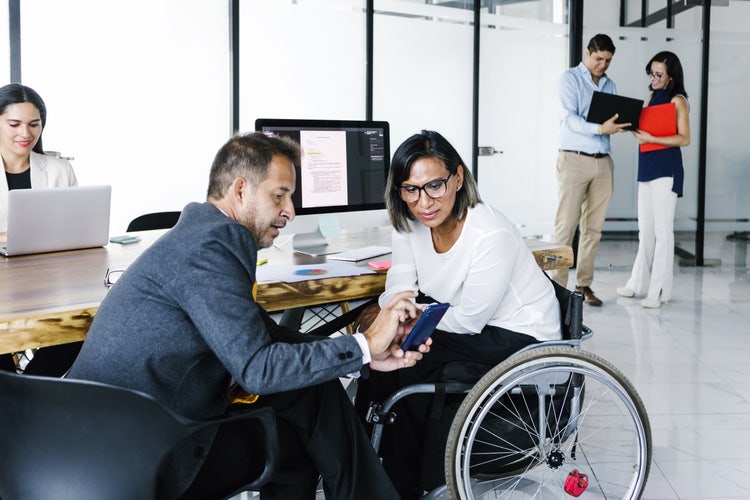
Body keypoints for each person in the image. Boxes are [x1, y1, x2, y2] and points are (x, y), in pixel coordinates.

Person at [67, 131, 432, 500]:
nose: (291, 210)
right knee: (294, 429)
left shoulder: (202, 233)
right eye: (280, 195)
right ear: (240, 190)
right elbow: (258, 369)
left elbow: (266, 337)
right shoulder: (213, 245)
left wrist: (363, 353)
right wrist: (365, 343)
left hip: (121, 438)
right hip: (138, 462)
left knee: (307, 396)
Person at [353, 130, 562, 498]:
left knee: (409, 361)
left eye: (435, 185)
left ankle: (407, 484)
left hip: (518, 334)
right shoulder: (409, 220)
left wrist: (407, 319)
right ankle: (364, 470)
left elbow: (469, 320)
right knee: (379, 360)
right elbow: (400, 280)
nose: (424, 202)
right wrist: (396, 312)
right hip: (456, 319)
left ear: (458, 178)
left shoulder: (488, 233)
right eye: (410, 189)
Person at [0, 83, 80, 376]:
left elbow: (74, 233)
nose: (26, 133)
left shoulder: (59, 170)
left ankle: (29, 391)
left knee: (78, 332)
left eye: (34, 124)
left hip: (49, 283)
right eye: (14, 124)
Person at [550, 33, 631, 306]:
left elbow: (613, 117)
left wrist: (620, 124)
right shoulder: (569, 79)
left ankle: (584, 285)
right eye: (598, 59)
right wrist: (599, 128)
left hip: (603, 161)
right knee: (565, 227)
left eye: (607, 60)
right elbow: (568, 118)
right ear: (587, 53)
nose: (602, 65)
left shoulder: (610, 84)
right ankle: (556, 290)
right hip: (574, 160)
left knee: (593, 229)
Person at [617, 51, 690, 308]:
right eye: (652, 72)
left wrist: (652, 139)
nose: (654, 78)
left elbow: (684, 138)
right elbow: (647, 129)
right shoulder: (650, 97)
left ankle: (658, 291)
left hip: (666, 169)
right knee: (645, 228)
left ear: (671, 78)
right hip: (647, 166)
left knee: (662, 230)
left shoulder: (678, 100)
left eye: (659, 74)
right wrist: (635, 131)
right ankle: (637, 283)